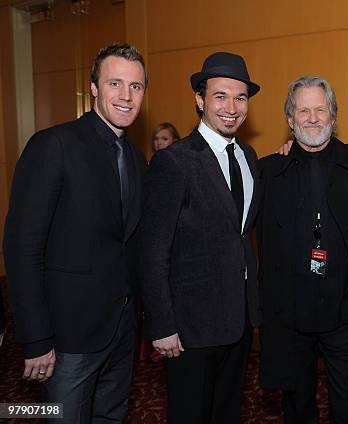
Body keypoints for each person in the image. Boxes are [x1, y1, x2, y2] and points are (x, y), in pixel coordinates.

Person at [3, 43, 147, 422]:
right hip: (67, 339)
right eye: (115, 83)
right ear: (95, 88)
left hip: (120, 329)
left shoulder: (135, 157)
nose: (126, 96)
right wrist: (35, 339)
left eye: (136, 86)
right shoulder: (53, 145)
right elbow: (22, 248)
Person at [137, 51, 261, 424]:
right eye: (220, 95)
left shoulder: (249, 157)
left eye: (240, 97)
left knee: (227, 413)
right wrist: (162, 326)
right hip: (189, 328)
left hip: (238, 322)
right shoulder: (174, 161)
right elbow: (153, 250)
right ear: (199, 99)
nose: (231, 107)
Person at [257, 76, 348, 423]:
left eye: (320, 109)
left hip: (346, 312)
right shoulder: (267, 171)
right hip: (290, 314)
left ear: (334, 116)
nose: (312, 118)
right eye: (302, 110)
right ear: (290, 120)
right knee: (296, 405)